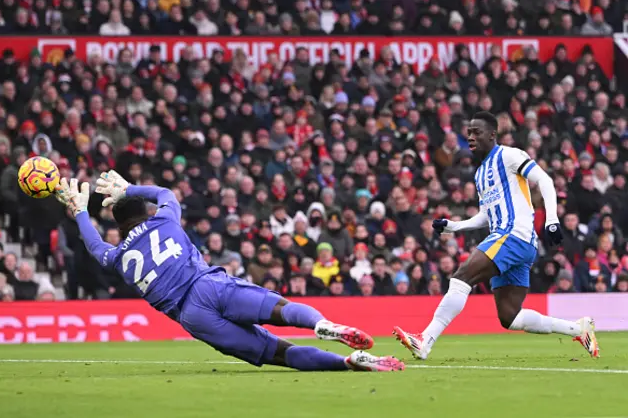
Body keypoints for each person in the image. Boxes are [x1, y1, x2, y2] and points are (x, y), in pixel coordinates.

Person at [55, 172, 404, 372]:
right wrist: (127, 189)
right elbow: (165, 192)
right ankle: (320, 324)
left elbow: (96, 249)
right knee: (279, 309)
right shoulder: (163, 217)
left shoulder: (119, 256)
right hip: (207, 285)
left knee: (276, 353)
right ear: (145, 212)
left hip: (192, 316)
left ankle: (347, 363)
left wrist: (81, 212)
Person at [393, 112, 600, 360]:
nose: (470, 137)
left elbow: (544, 180)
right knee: (510, 317)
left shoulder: (509, 155)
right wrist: (454, 227)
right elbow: (485, 216)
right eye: (468, 133)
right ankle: (579, 328)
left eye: (476, 132)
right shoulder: (481, 173)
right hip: (515, 241)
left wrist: (552, 220)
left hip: (513, 235)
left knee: (461, 278)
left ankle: (425, 340)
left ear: (492, 134)